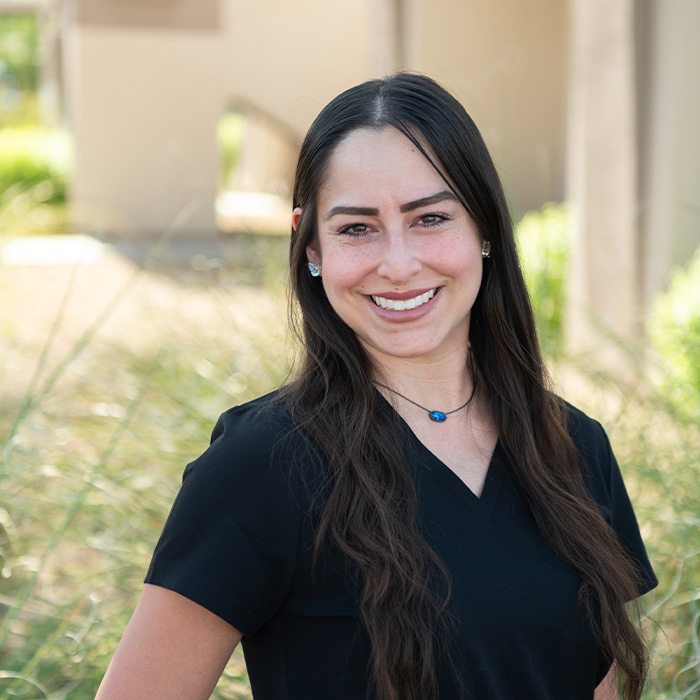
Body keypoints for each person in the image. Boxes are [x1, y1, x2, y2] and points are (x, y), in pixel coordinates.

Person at [96, 73, 657, 700]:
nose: (397, 264)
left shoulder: (575, 448)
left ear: (486, 230)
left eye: (431, 219)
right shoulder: (261, 465)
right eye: (357, 228)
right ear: (310, 245)